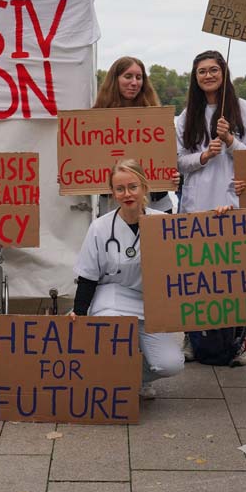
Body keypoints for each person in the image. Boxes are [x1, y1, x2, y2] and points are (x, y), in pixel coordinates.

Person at [175, 49, 246, 365]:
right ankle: (191, 337)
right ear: (195, 78)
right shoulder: (186, 116)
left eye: (213, 70)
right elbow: (177, 162)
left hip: (232, 205)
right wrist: (203, 156)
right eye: (202, 71)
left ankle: (236, 341)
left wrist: (229, 141)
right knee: (194, 277)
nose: (208, 76)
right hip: (196, 207)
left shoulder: (245, 111)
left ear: (224, 73)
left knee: (233, 277)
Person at [72, 159, 185, 399]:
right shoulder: (100, 228)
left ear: (144, 187)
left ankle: (136, 377)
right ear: (112, 192)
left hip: (149, 305)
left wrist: (222, 214)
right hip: (110, 301)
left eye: (133, 187)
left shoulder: (162, 223)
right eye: (120, 189)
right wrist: (79, 312)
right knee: (112, 340)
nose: (127, 194)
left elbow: (192, 251)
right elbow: (87, 276)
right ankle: (115, 380)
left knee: (171, 364)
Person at [93, 56, 177, 214]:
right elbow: (87, 160)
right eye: (128, 76)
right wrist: (71, 176)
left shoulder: (157, 118)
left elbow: (171, 156)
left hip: (156, 205)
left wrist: (175, 175)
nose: (134, 82)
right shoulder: (95, 119)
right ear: (115, 80)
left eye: (139, 77)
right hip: (114, 208)